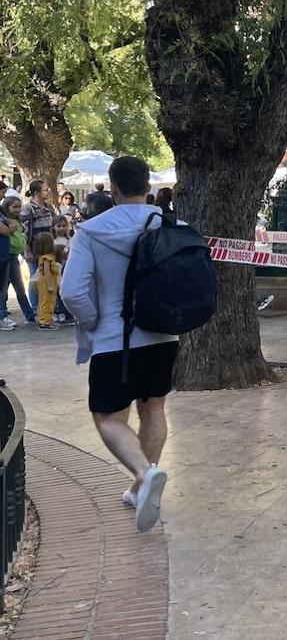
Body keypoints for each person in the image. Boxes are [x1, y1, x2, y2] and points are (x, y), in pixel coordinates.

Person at [61, 156, 175, 533]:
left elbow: (73, 292)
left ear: (112, 188)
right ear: (147, 185)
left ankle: (143, 475)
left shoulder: (92, 231)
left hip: (114, 339)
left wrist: (96, 322)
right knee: (153, 407)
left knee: (107, 416)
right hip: (163, 335)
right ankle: (138, 488)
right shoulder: (168, 224)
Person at [19, 181, 56, 317]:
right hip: (34, 248)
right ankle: (35, 309)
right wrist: (26, 250)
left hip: (47, 247)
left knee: (47, 277)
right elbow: (24, 232)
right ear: (36, 192)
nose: (48, 192)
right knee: (36, 278)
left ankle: (45, 308)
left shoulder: (48, 207)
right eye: (45, 190)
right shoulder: (28, 209)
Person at [0, 196, 35, 329]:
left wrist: (25, 252)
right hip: (6, 255)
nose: (17, 209)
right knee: (3, 289)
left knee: (20, 287)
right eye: (14, 207)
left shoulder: (17, 221)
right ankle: (3, 316)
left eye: (19, 207)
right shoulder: (5, 220)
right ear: (7, 207)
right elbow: (8, 233)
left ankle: (29, 315)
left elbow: (21, 238)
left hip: (14, 256)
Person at [32, 232, 61, 330]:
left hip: (47, 281)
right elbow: (47, 272)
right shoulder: (47, 258)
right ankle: (45, 321)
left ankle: (44, 320)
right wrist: (50, 285)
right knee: (47, 302)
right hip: (47, 282)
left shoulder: (46, 256)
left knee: (45, 301)